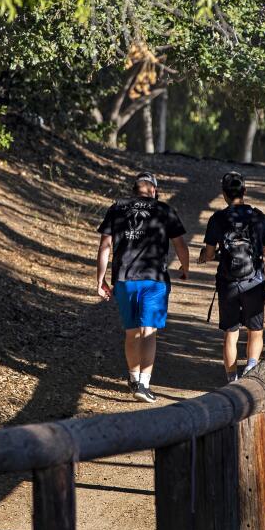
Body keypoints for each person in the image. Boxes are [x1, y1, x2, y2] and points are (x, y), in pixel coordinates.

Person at [96, 171, 189, 403]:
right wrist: (185, 267)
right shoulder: (164, 210)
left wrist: (100, 280)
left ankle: (133, 378)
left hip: (124, 279)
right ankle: (144, 384)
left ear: (134, 190)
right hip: (154, 278)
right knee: (149, 331)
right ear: (154, 191)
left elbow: (105, 245)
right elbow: (180, 244)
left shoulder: (117, 207)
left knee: (131, 332)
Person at [199, 171, 265, 382]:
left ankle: (232, 379)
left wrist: (205, 257)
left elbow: (210, 253)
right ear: (245, 191)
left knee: (231, 334)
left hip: (228, 281)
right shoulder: (259, 217)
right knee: (255, 330)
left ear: (224, 194)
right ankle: (250, 369)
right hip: (254, 281)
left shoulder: (218, 218)